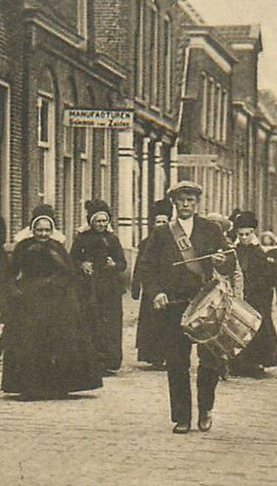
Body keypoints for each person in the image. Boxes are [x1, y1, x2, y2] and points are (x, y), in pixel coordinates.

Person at [139, 180, 235, 434]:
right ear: (174, 202)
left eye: (191, 200)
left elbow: (230, 262)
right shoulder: (162, 233)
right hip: (174, 304)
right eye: (181, 199)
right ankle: (182, 416)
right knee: (177, 362)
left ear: (197, 203)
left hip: (206, 303)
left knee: (210, 360)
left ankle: (205, 409)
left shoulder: (211, 230)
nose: (186, 204)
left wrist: (222, 261)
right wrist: (156, 292)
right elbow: (145, 268)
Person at [0, 206, 102, 398]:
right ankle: (30, 387)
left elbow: (70, 273)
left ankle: (58, 386)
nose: (43, 234)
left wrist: (54, 283)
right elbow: (11, 273)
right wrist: (15, 291)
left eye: (47, 230)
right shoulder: (23, 247)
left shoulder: (58, 248)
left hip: (57, 302)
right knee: (30, 343)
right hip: (30, 302)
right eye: (39, 230)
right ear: (33, 229)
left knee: (59, 343)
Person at [70, 199, 128, 374]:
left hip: (110, 289)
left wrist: (114, 265)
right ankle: (92, 361)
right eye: (98, 221)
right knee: (91, 322)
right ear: (91, 222)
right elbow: (71, 260)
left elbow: (123, 264)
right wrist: (82, 265)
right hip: (89, 288)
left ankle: (110, 361)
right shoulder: (82, 239)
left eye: (104, 221)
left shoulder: (113, 239)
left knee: (110, 324)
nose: (101, 224)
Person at [230, 213, 277, 376]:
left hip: (257, 297)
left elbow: (266, 277)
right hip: (238, 295)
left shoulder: (259, 252)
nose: (244, 238)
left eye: (247, 234)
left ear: (253, 233)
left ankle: (255, 361)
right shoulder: (233, 251)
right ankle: (237, 362)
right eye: (241, 234)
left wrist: (256, 290)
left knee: (257, 327)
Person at [132, 199, 173, 368]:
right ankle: (153, 355)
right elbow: (140, 266)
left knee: (167, 323)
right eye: (158, 222)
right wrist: (136, 285)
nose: (161, 225)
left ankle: (166, 354)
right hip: (151, 289)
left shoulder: (174, 243)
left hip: (169, 288)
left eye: (164, 221)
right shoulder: (146, 243)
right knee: (151, 324)